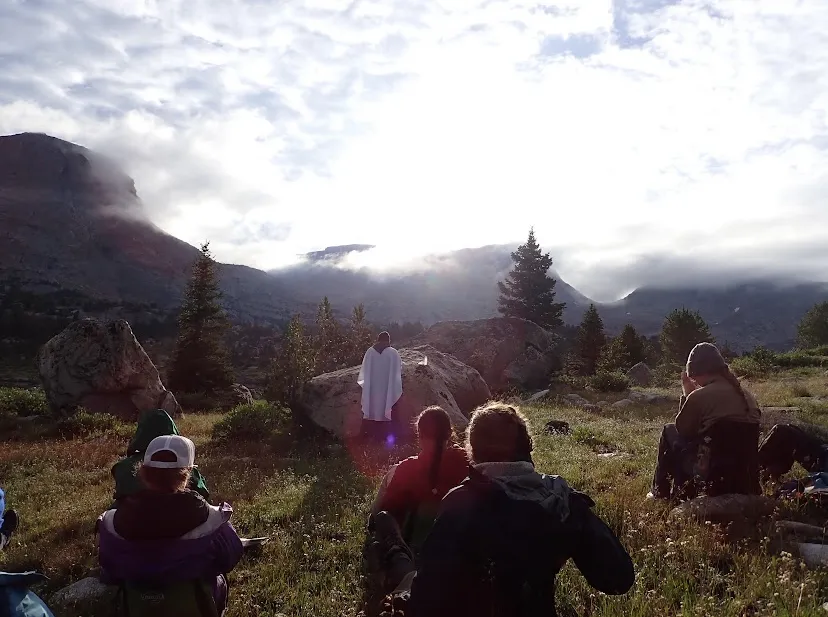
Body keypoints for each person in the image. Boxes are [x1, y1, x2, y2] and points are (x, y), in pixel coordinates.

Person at [375, 402, 635, 617]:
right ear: (529, 446)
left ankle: (395, 549)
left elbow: (428, 601)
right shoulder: (562, 499)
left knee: (407, 575)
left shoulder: (462, 503)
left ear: (472, 452)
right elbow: (619, 578)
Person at [98, 435, 243, 615]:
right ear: (187, 472)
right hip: (195, 606)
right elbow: (230, 556)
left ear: (143, 470)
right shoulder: (213, 519)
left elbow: (109, 570)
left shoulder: (111, 521)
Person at [650, 342, 761, 500]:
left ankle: (660, 492)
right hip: (745, 477)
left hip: (710, 473)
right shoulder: (747, 395)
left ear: (697, 372)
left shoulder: (700, 396)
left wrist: (688, 394)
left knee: (669, 431)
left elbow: (684, 431)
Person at [371, 406, 469, 552]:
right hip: (460, 545)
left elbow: (382, 513)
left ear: (419, 435)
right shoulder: (468, 462)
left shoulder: (406, 469)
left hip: (414, 547)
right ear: (449, 433)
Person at [111, 409, 209, 505]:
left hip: (133, 516)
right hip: (180, 513)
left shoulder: (123, 467)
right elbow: (203, 493)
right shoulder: (182, 464)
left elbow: (120, 497)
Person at [358, 332, 403, 442]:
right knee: (389, 407)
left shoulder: (369, 352)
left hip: (372, 390)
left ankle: (369, 436)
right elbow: (398, 371)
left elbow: (364, 372)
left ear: (378, 340)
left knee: (372, 409)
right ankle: (389, 436)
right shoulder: (393, 353)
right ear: (388, 340)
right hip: (388, 389)